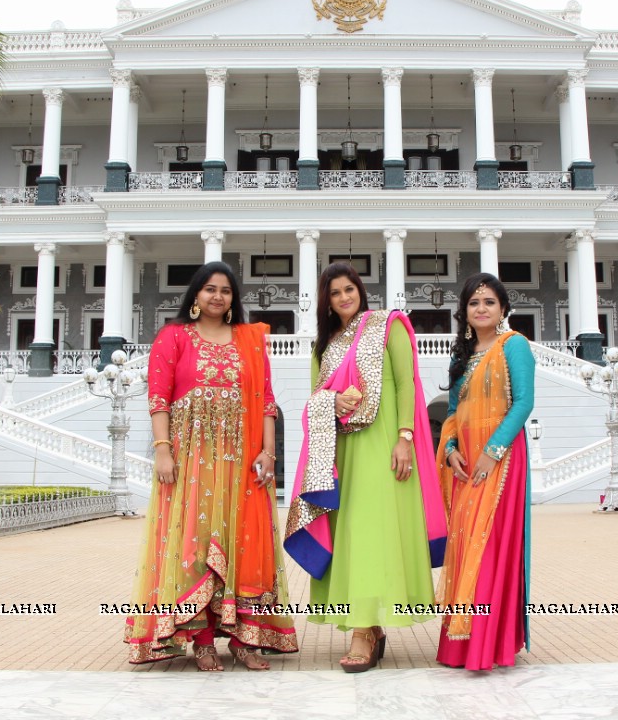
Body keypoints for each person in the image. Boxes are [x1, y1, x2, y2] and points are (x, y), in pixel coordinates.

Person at [124, 261, 297, 670]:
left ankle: (244, 639)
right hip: (191, 459)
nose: (217, 296)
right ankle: (201, 639)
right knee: (194, 545)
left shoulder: (248, 341)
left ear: (233, 299)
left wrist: (268, 452)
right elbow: (159, 399)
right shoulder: (173, 337)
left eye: (225, 290)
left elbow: (267, 402)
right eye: (209, 289)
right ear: (196, 296)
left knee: (245, 542)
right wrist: (163, 449)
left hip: (240, 459)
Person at [285, 262, 446, 673]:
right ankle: (366, 625)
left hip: (384, 445)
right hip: (341, 453)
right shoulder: (324, 346)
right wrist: (330, 402)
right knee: (351, 536)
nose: (343, 298)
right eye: (335, 293)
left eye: (349, 289)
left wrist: (406, 437)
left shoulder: (385, 326)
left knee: (374, 532)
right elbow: (314, 400)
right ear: (325, 301)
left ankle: (364, 629)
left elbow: (406, 382)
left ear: (360, 290)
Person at [435, 273, 534, 671]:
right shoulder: (463, 357)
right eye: (474, 303)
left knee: (489, 542)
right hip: (467, 460)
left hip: (502, 457)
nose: (481, 309)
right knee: (463, 538)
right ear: (465, 311)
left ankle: (487, 644)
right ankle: (461, 644)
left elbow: (523, 403)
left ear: (503, 309)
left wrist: (492, 451)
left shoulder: (515, 346)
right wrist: (452, 451)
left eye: (489, 302)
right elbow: (454, 413)